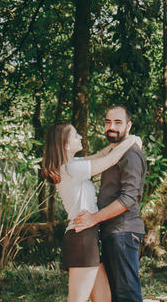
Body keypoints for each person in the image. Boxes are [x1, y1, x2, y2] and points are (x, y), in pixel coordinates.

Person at [42, 122, 143, 302]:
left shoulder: (74, 164)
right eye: (75, 135)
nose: (80, 137)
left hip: (88, 236)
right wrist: (132, 141)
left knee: (104, 299)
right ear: (65, 144)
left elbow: (101, 154)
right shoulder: (71, 169)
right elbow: (110, 160)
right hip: (82, 237)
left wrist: (119, 142)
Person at [72, 105, 146, 302]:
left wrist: (93, 218)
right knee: (116, 295)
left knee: (127, 295)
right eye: (107, 122)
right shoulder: (115, 152)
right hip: (112, 232)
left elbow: (129, 198)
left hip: (123, 231)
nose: (111, 127)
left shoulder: (131, 154)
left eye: (118, 122)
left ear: (128, 126)